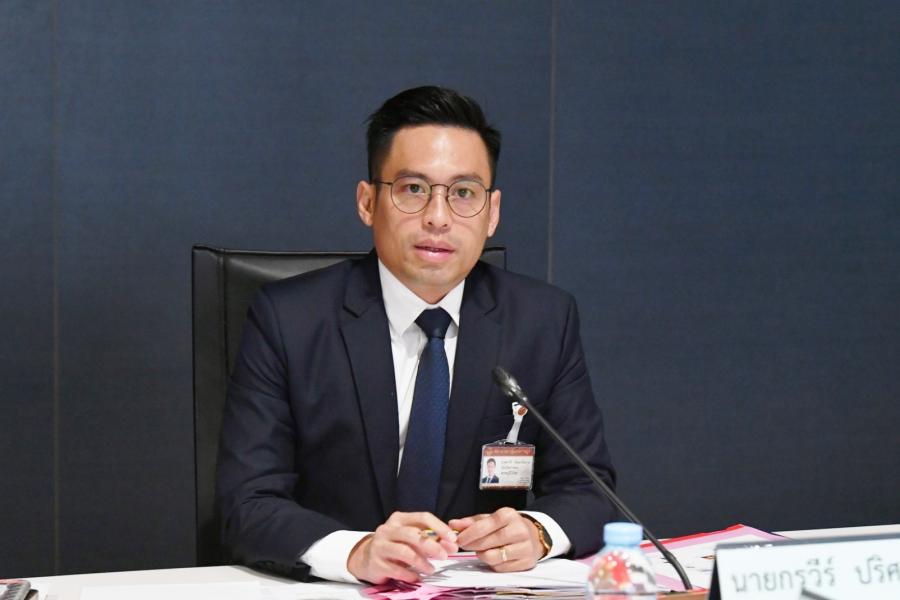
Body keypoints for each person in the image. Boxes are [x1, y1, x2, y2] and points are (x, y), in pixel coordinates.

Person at [216, 85, 617, 585]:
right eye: (413, 189)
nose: (438, 217)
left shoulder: (542, 321)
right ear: (368, 202)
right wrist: (356, 551)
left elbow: (590, 489)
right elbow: (247, 501)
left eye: (464, 193)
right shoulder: (289, 320)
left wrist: (537, 532)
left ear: (492, 213)